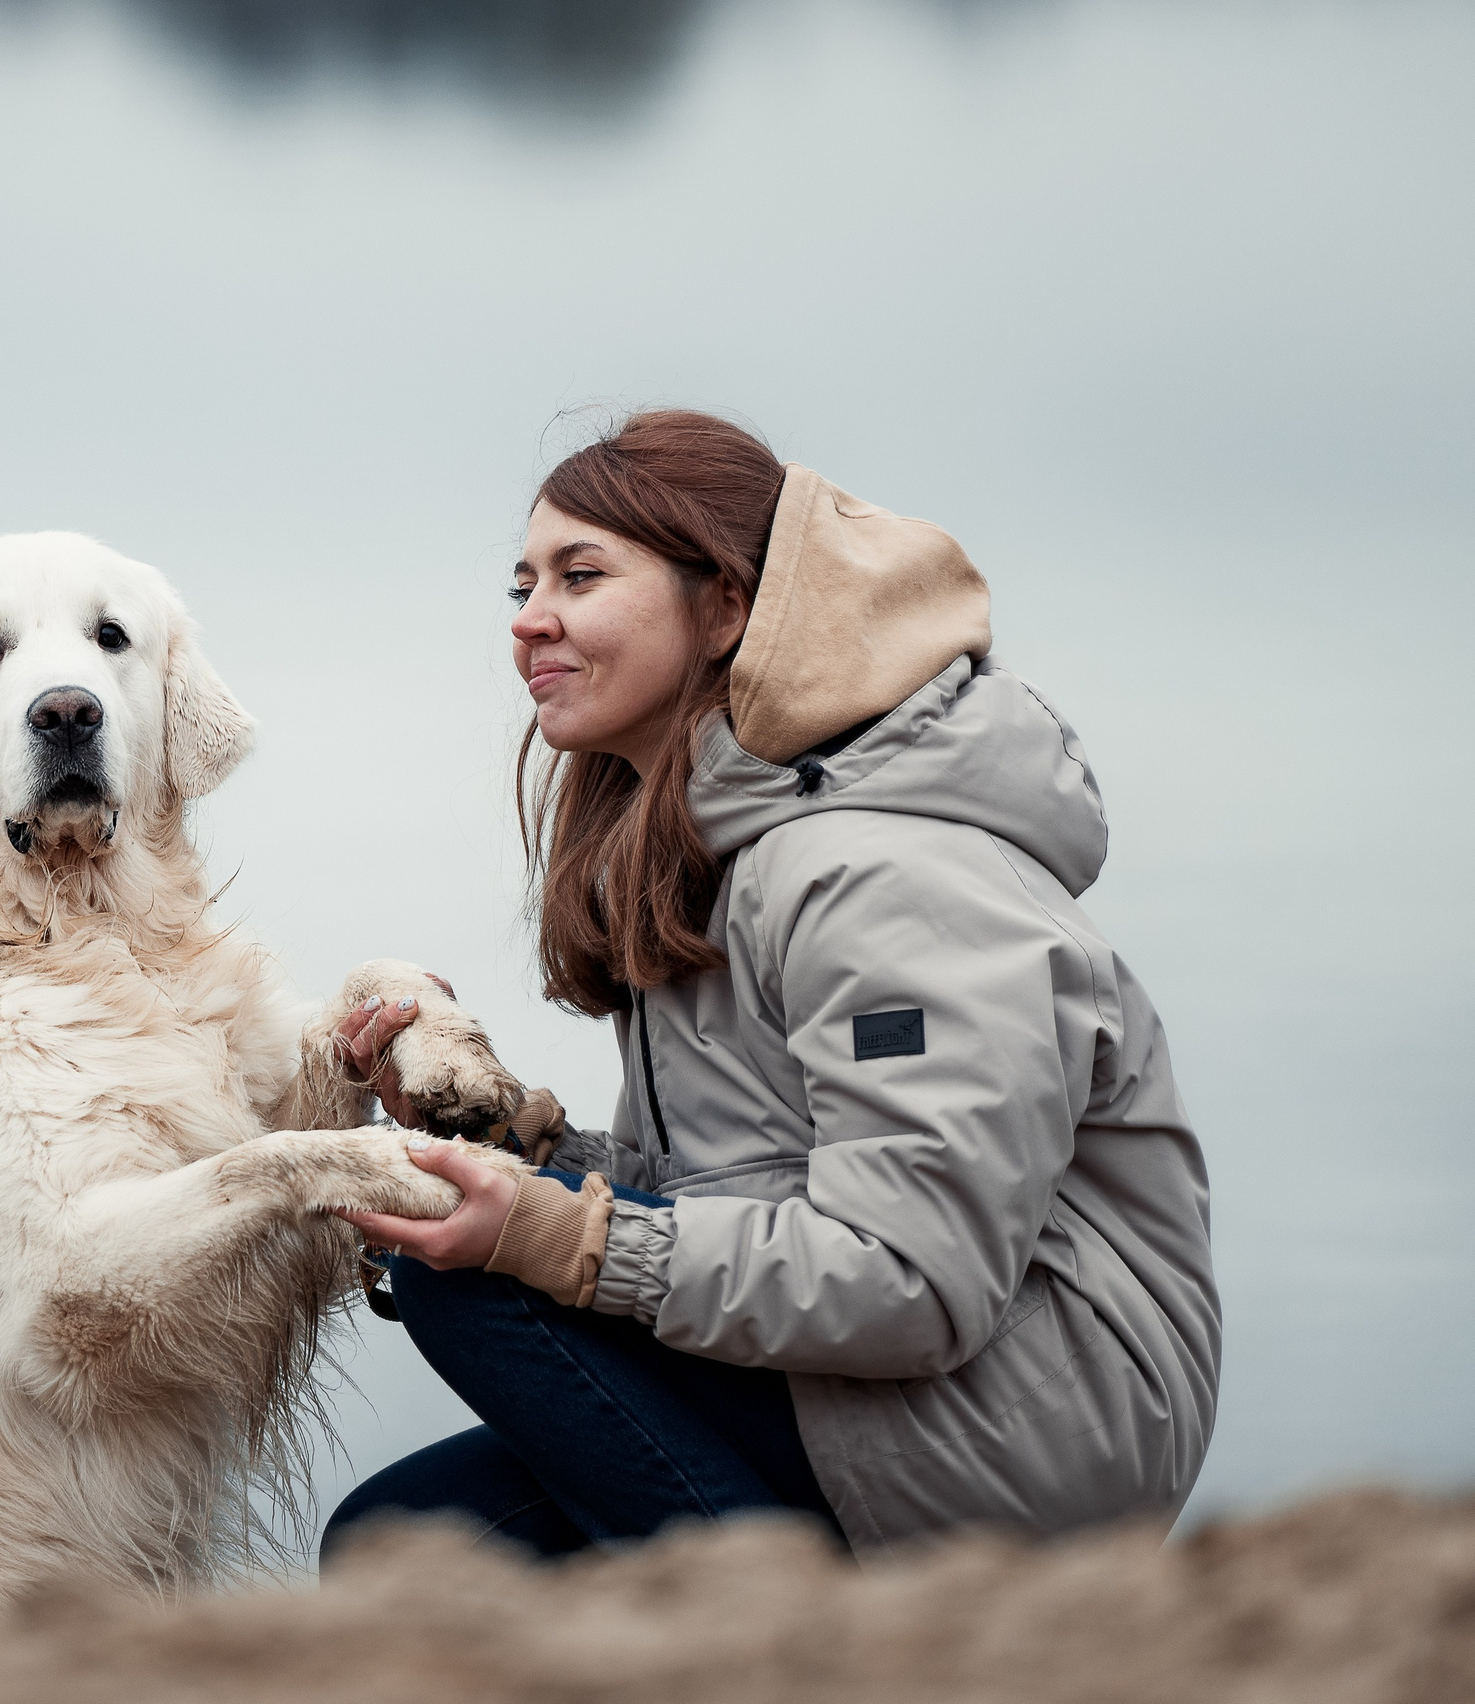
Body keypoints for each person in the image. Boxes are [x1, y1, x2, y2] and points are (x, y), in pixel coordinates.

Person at [322, 410, 1221, 1562]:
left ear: (728, 608)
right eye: (523, 581)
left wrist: (554, 1239)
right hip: (864, 1393)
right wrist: (499, 1147)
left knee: (474, 1282)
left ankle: (826, 1647)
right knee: (403, 1543)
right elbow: (747, 1191)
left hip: (1019, 1439)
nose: (527, 619)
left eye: (581, 575)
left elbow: (912, 1278)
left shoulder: (877, 873)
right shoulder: (720, 855)